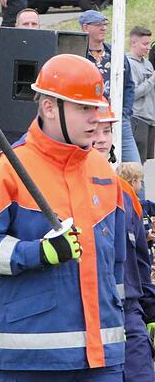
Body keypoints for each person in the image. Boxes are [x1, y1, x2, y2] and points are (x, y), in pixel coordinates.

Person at [0, 54, 126, 381]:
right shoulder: (7, 171)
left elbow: (117, 268)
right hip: (31, 358)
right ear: (49, 107)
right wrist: (37, 253)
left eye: (95, 108)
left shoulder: (104, 174)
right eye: (83, 109)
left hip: (103, 358)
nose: (95, 119)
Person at [92, 102, 155, 382]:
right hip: (88, 315)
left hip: (128, 313)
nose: (102, 138)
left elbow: (140, 264)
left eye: (107, 131)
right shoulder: (60, 189)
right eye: (95, 130)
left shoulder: (126, 196)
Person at [80, 10, 141, 166]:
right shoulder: (78, 54)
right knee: (91, 165)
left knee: (133, 168)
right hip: (90, 120)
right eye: (98, 24)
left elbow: (128, 85)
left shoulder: (115, 54)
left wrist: (125, 113)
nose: (103, 28)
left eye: (105, 24)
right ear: (85, 28)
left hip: (118, 119)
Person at [127, 26, 155, 164]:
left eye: (149, 43)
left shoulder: (148, 64)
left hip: (150, 119)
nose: (148, 47)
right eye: (145, 44)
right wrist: (152, 79)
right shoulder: (129, 64)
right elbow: (133, 93)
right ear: (133, 43)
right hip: (138, 119)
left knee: (143, 162)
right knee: (134, 164)